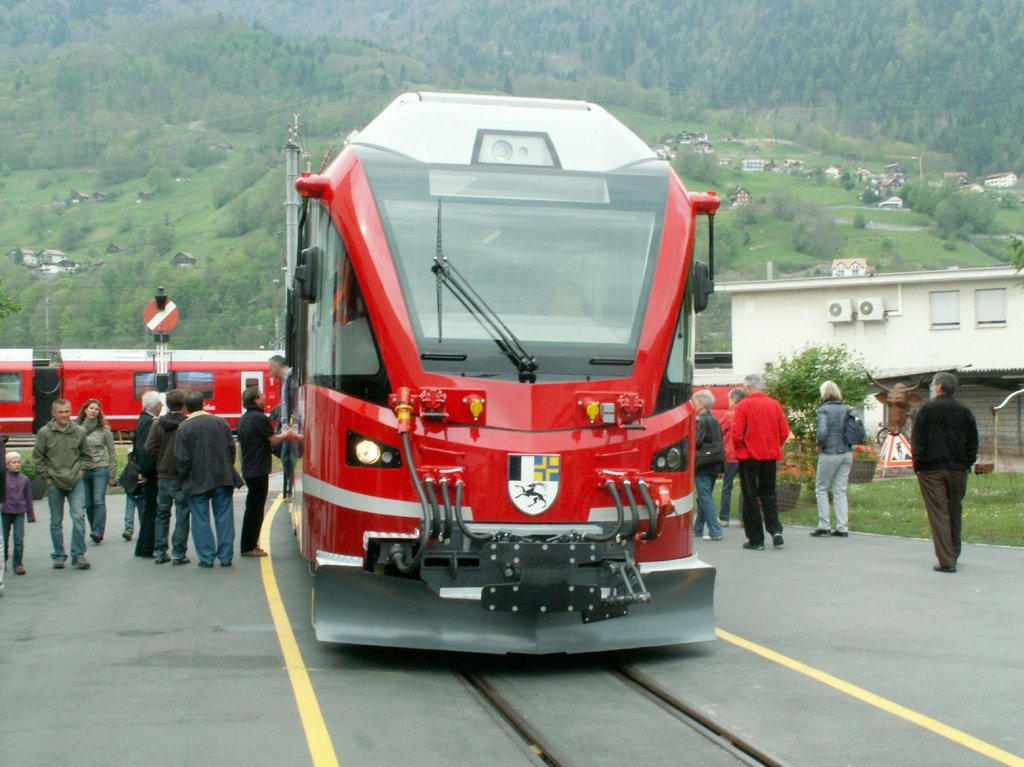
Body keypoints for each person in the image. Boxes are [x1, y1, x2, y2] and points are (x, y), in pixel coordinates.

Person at [911, 372, 978, 574]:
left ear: (939, 386)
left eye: (933, 384)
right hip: (958, 469)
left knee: (939, 513)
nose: (932, 388)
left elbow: (918, 440)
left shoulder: (926, 410)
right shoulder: (965, 411)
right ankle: (954, 552)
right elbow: (973, 441)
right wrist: (967, 462)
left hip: (932, 470)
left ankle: (946, 560)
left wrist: (919, 464)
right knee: (954, 510)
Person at [174, 392, 237, 568]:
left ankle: (207, 557)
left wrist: (184, 476)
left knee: (200, 519)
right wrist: (226, 466)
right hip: (222, 476)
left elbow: (182, 458)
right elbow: (231, 448)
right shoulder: (220, 422)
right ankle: (226, 556)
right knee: (224, 517)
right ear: (204, 403)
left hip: (196, 479)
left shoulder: (184, 428)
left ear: (186, 407)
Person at [733, 373, 791, 551]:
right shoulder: (774, 405)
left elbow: (737, 434)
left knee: (750, 496)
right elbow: (784, 431)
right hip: (770, 455)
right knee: (769, 493)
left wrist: (741, 449)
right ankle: (775, 531)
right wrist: (774, 445)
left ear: (748, 387)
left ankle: (756, 539)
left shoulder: (744, 405)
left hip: (749, 456)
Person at [32, 399, 92, 569]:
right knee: (56, 522)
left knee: (79, 517)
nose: (64, 415)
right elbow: (38, 457)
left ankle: (78, 554)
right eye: (61, 412)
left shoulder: (79, 431)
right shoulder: (44, 433)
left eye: (67, 411)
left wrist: (81, 471)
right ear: (53, 413)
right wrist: (46, 477)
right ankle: (59, 554)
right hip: (55, 483)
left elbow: (86, 455)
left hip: (75, 481)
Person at [237, 386, 289, 557]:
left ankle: (249, 544)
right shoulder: (259, 418)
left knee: (251, 507)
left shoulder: (245, 418)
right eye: (261, 396)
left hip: (249, 468)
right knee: (256, 509)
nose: (265, 397)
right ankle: (250, 546)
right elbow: (273, 440)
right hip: (259, 469)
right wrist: (289, 434)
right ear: (255, 400)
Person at [144, 389, 191, 565]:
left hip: (163, 475)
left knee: (162, 514)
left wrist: (160, 458)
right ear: (183, 405)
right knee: (182, 514)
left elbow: (149, 447)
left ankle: (160, 551)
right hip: (181, 476)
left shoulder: (157, 424)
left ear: (168, 405)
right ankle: (179, 553)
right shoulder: (187, 424)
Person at [813, 380, 854, 538]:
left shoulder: (823, 410)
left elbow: (822, 431)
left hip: (830, 453)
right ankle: (842, 527)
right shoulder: (846, 408)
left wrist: (819, 443)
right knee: (840, 490)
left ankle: (824, 526)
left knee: (821, 488)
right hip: (846, 452)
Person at [77, 399, 117, 544]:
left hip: (101, 467)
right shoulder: (77, 429)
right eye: (91, 408)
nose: (94, 411)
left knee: (98, 501)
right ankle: (95, 527)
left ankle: (97, 531)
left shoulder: (104, 430)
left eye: (96, 409)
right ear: (85, 410)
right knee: (88, 503)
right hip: (84, 470)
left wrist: (112, 473)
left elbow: (112, 452)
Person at [133, 391, 163, 558]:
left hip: (147, 471)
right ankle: (147, 546)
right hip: (151, 473)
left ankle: (143, 546)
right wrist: (145, 472)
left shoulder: (143, 419)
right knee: (152, 509)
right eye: (160, 404)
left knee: (149, 510)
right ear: (156, 406)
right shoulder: (149, 422)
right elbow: (145, 449)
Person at [691, 389, 725, 541]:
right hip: (715, 462)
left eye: (696, 402)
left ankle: (715, 530)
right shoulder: (715, 420)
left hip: (702, 463)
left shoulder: (701, 421)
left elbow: (697, 441)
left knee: (705, 497)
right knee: (706, 496)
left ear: (702, 404)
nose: (693, 404)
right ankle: (698, 528)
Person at [717, 387, 747, 528]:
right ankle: (743, 518)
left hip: (730, 456)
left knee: (727, 487)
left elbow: (719, 433)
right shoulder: (748, 414)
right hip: (745, 455)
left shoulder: (729, 416)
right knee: (744, 487)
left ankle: (724, 518)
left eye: (730, 398)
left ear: (734, 399)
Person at [3, 452, 36, 577]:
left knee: (18, 539)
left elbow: (28, 497)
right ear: (7, 465)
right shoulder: (3, 479)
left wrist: (30, 514)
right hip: (5, 513)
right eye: (13, 462)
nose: (17, 465)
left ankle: (18, 564)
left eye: (18, 462)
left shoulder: (24, 479)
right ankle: (3, 560)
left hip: (19, 513)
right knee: (4, 540)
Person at [268, 355, 295, 497]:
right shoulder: (287, 379)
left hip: (290, 428)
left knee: (286, 457)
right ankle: (289, 487)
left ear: (275, 366)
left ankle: (289, 488)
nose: (270, 373)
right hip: (286, 427)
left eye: (270, 369)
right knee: (285, 455)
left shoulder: (290, 379)